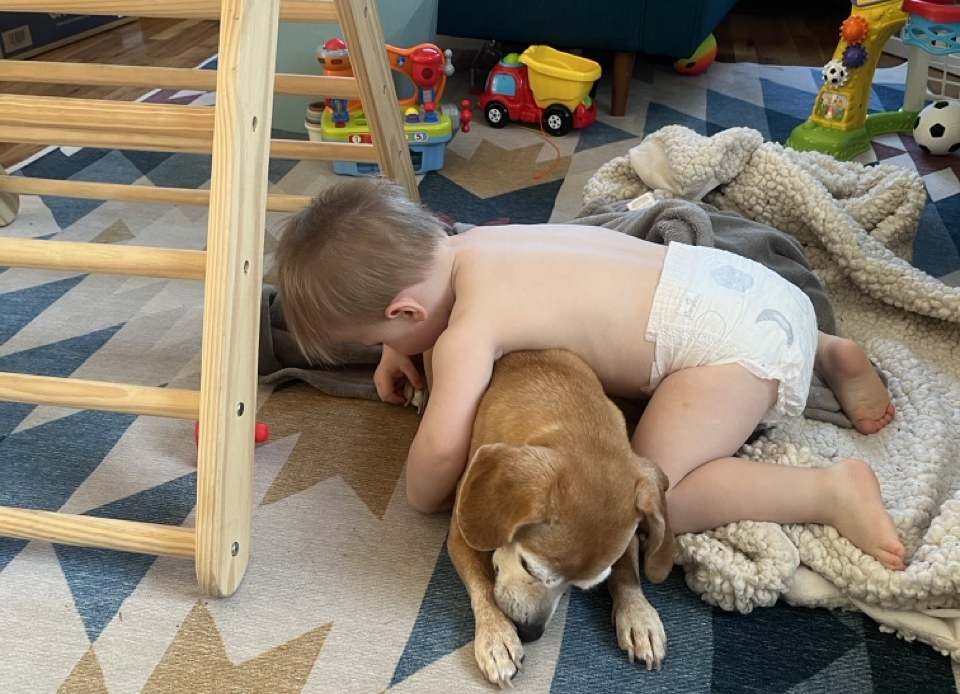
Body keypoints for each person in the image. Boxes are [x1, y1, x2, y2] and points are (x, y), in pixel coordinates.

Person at [274, 179, 905, 571]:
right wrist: (395, 349)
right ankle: (829, 352)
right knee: (758, 330)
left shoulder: (468, 331)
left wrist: (417, 487)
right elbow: (413, 312)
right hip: (743, 288)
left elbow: (436, 463)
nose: (388, 351)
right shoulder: (478, 244)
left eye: (378, 339)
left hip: (729, 353)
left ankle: (828, 491)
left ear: (405, 311)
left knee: (649, 495)